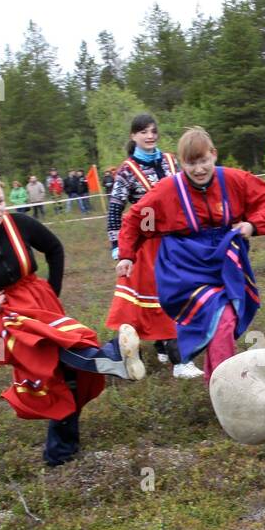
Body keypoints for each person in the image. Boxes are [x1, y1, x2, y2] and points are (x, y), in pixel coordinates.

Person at [0, 166, 145, 466]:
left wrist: (52, 290)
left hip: (40, 303)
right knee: (53, 358)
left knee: (66, 373)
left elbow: (54, 248)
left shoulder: (19, 223)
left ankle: (60, 453)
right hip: (6, 319)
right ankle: (113, 357)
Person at [116, 126, 265, 385]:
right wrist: (127, 255)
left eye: (204, 161)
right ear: (182, 163)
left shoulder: (234, 179)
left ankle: (215, 383)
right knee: (222, 318)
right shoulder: (168, 190)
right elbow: (136, 219)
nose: (199, 169)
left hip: (225, 263)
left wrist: (252, 225)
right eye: (191, 164)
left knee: (225, 320)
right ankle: (227, 386)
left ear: (213, 155)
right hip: (183, 267)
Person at [105, 113, 200, 378]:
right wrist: (118, 247)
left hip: (177, 241)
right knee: (161, 299)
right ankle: (180, 361)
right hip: (146, 246)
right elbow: (115, 210)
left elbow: (187, 193)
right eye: (143, 132)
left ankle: (162, 346)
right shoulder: (126, 171)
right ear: (133, 136)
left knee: (179, 294)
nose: (150, 136)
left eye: (153, 131)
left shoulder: (171, 160)